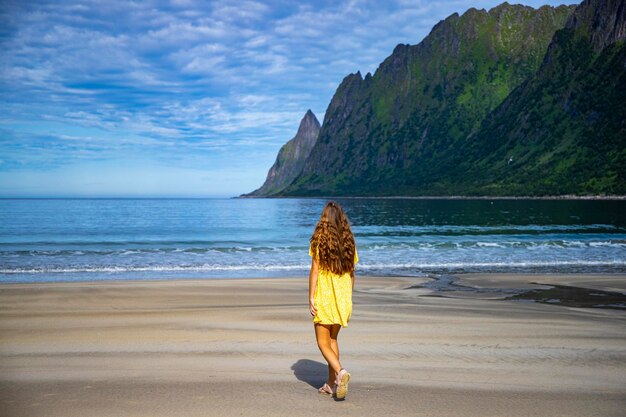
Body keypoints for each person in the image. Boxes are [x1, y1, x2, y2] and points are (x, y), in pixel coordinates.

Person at [308, 201, 358, 400]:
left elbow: (315, 270)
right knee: (333, 340)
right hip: (343, 297)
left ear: (324, 219)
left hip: (325, 297)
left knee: (322, 343)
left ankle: (341, 372)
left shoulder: (319, 240)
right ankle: (331, 385)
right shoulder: (349, 241)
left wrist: (311, 296)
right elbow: (352, 273)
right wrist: (348, 297)